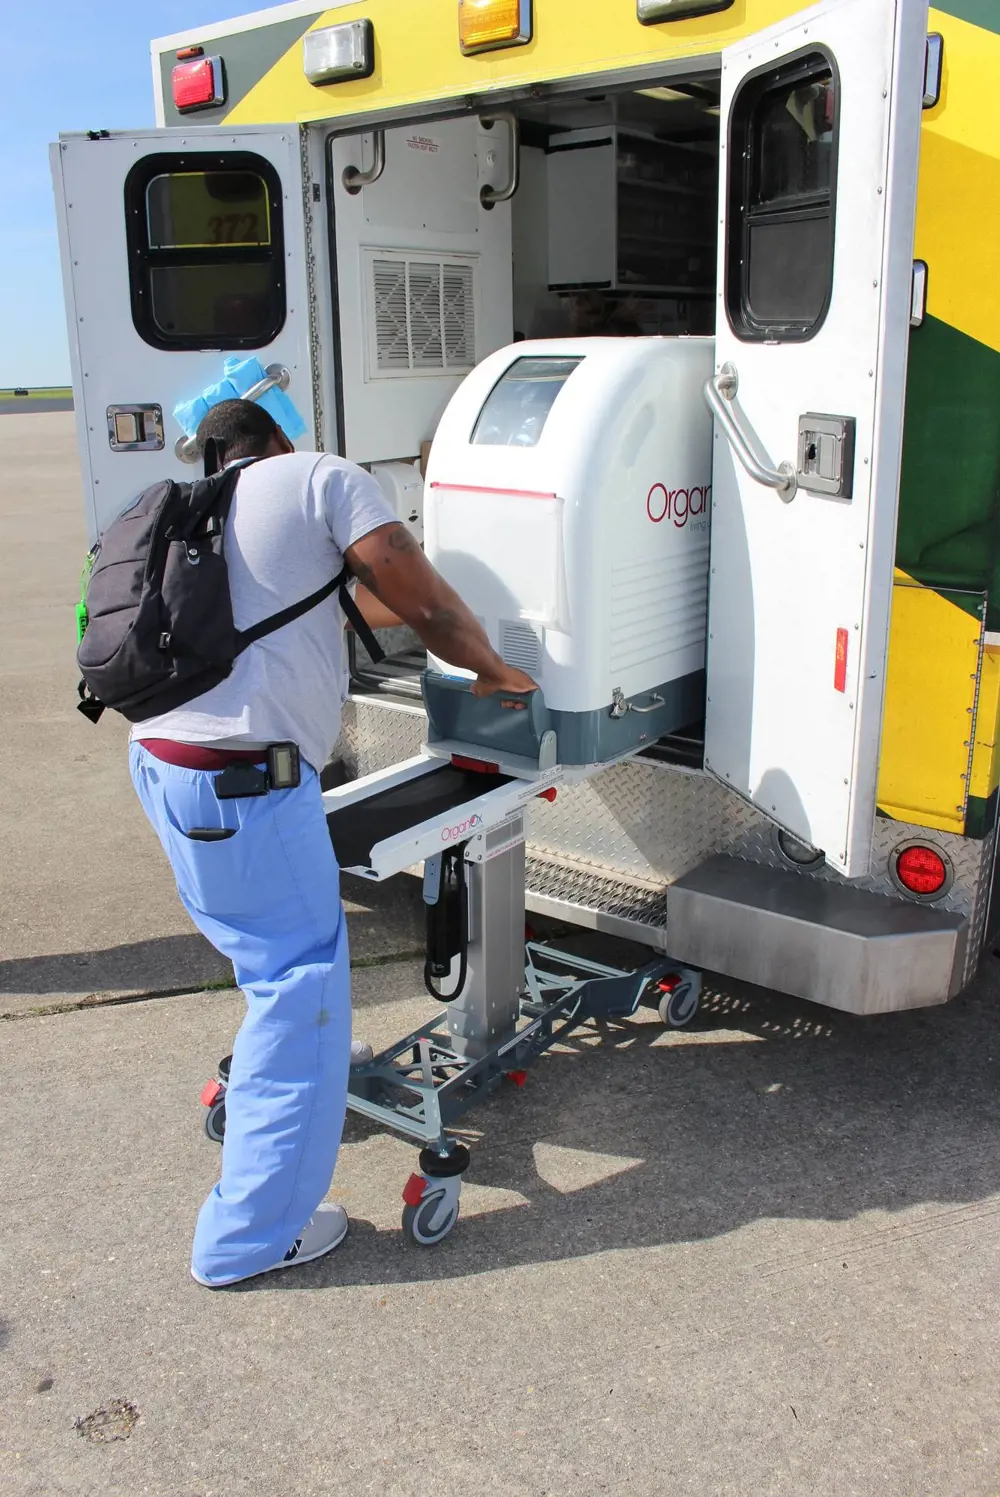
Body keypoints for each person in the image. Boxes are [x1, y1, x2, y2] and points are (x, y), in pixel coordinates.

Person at [129, 399, 537, 1288]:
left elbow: (352, 607)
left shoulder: (198, 515)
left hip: (164, 767)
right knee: (297, 984)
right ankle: (248, 1237)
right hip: (244, 783)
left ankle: (303, 1075)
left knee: (265, 960)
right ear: (280, 439)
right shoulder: (321, 475)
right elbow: (416, 595)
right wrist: (495, 669)